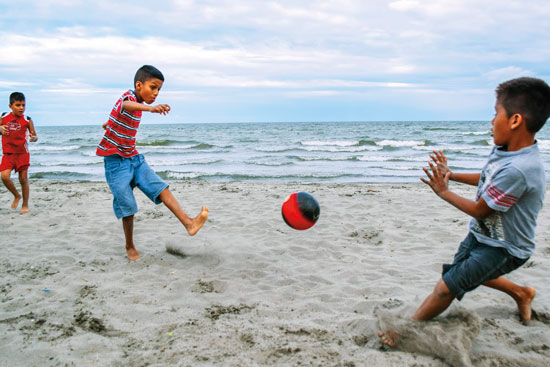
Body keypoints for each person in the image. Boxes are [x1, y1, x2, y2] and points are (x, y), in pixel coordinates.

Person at [379, 77, 550, 346]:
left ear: (515, 121)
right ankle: (521, 292)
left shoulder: (521, 169)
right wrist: (452, 175)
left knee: (446, 286)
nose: (491, 121)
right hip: (482, 237)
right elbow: (488, 176)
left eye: (496, 114)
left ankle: (405, 331)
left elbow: (481, 211)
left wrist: (443, 191)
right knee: (458, 273)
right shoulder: (505, 151)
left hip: (505, 248)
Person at [97, 65, 208, 261]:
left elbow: (118, 116)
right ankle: (130, 246)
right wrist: (151, 109)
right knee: (127, 205)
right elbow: (125, 106)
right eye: (153, 87)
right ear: (139, 85)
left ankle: (189, 223)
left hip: (134, 158)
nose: (156, 93)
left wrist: (109, 123)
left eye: (159, 90)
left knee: (160, 187)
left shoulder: (137, 104)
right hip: (116, 162)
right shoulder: (129, 97)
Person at [1, 92, 38, 214]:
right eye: (18, 105)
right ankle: (17, 195)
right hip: (8, 154)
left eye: (23, 105)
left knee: (23, 179)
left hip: (22, 153)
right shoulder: (3, 117)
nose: (21, 108)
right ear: (10, 106)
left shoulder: (27, 119)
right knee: (4, 176)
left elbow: (34, 135)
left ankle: (25, 205)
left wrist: (34, 137)